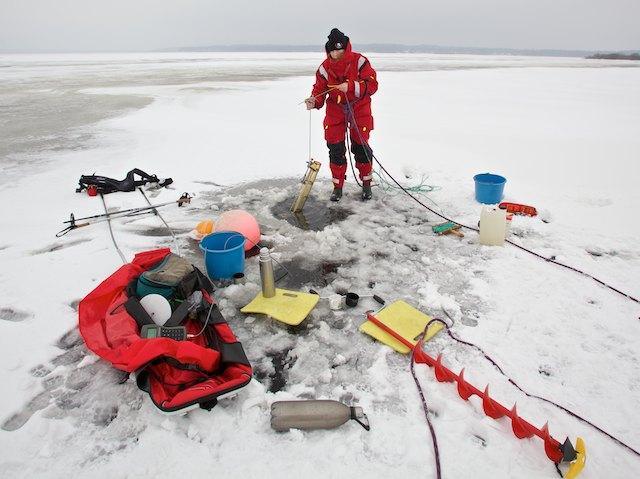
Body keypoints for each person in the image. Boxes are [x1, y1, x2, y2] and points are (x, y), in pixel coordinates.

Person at [305, 28, 379, 202]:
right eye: (333, 50)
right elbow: (319, 91)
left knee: (360, 147)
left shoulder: (360, 61)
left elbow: (373, 85)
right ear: (328, 50)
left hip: (359, 108)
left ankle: (366, 184)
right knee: (335, 148)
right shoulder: (324, 68)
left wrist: (351, 86)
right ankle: (337, 187)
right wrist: (313, 101)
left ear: (346, 47)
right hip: (335, 109)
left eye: (340, 49)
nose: (337, 53)